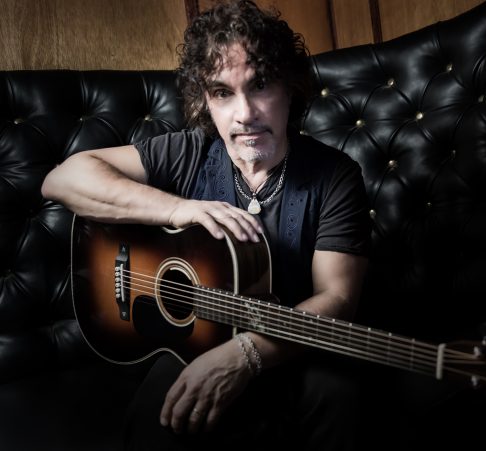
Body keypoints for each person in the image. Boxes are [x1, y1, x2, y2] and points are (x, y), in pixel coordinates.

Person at [41, 1, 371, 450]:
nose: (245, 113)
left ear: (290, 89)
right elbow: (61, 179)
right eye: (222, 92)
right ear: (205, 101)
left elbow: (338, 299)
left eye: (260, 85)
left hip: (291, 347)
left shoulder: (335, 175)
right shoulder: (189, 152)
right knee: (154, 424)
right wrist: (178, 210)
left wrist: (246, 354)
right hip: (193, 337)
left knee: (342, 399)